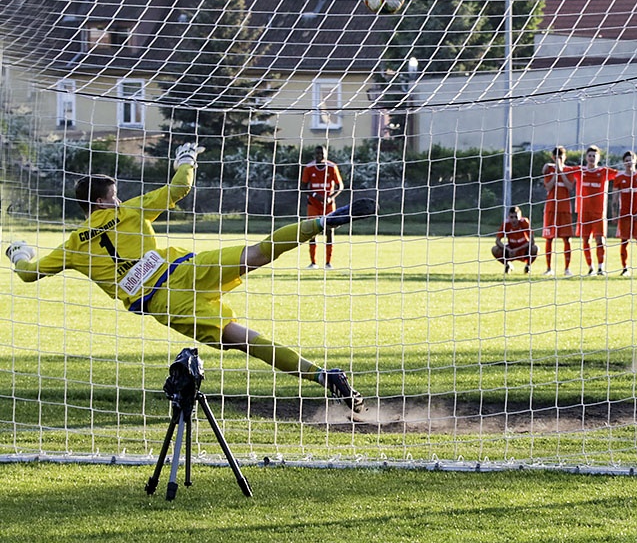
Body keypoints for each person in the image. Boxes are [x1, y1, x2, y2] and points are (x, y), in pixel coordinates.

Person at [5, 143, 374, 412]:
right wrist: (186, 159)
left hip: (164, 302)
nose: (119, 201)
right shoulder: (131, 211)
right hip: (182, 267)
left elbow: (27, 274)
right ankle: (323, 222)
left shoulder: (71, 247)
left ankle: (323, 375)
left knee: (241, 338)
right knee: (255, 254)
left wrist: (19, 251)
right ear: (102, 202)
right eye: (114, 197)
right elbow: (181, 186)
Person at [300, 145, 345, 270]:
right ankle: (313, 262)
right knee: (312, 231)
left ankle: (328, 263)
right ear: (315, 155)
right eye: (317, 153)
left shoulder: (332, 167)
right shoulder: (309, 168)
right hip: (313, 204)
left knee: (329, 231)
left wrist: (331, 197)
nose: (320, 155)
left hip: (328, 205)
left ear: (326, 154)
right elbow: (302, 187)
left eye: (322, 153)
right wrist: (315, 195)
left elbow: (340, 186)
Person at [575, 145, 617, 276]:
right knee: (586, 240)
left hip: (599, 213)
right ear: (586, 157)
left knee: (600, 240)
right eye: (590, 156)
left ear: (598, 158)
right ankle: (590, 267)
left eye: (594, 156)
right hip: (584, 212)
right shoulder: (580, 171)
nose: (592, 158)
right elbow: (563, 170)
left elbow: (621, 174)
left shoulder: (604, 171)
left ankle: (601, 267)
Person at [611, 151, 637, 277]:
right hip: (625, 214)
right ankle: (625, 268)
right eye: (627, 160)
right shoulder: (619, 177)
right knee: (624, 241)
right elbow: (615, 198)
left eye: (631, 160)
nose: (629, 162)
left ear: (635, 161)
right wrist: (614, 214)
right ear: (624, 162)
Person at [541, 146, 578, 276]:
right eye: (556, 158)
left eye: (561, 158)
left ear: (565, 157)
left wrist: (561, 171)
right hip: (551, 208)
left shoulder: (569, 170)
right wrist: (555, 172)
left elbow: (569, 186)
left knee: (567, 239)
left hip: (564, 209)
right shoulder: (549, 170)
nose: (559, 160)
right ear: (553, 158)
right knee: (549, 238)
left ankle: (567, 268)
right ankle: (549, 268)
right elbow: (548, 187)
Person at [492, 206, 538, 274]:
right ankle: (507, 265)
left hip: (523, 250)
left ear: (520, 216)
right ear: (508, 217)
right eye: (511, 217)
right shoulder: (506, 224)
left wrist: (517, 250)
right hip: (511, 250)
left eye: (516, 217)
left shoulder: (524, 222)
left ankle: (527, 266)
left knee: (535, 248)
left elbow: (532, 241)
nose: (514, 220)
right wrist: (508, 250)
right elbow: (497, 241)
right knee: (494, 249)